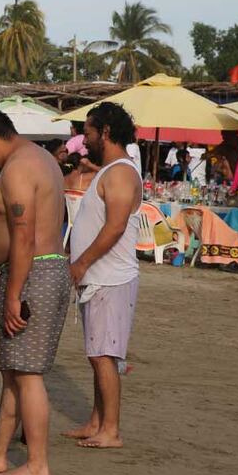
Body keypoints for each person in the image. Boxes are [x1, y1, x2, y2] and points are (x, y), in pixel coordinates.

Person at [0, 108, 71, 475]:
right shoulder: (39, 158)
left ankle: (37, 465)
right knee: (13, 372)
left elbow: (23, 234)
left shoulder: (20, 167)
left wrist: (15, 294)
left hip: (34, 273)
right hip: (39, 270)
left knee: (28, 374)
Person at [66, 101, 142, 449]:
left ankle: (110, 429)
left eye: (89, 131)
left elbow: (115, 227)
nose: (85, 138)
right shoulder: (109, 169)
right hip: (100, 277)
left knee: (103, 355)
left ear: (106, 132)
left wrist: (82, 263)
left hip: (110, 278)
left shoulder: (122, 172)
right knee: (96, 351)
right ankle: (96, 421)